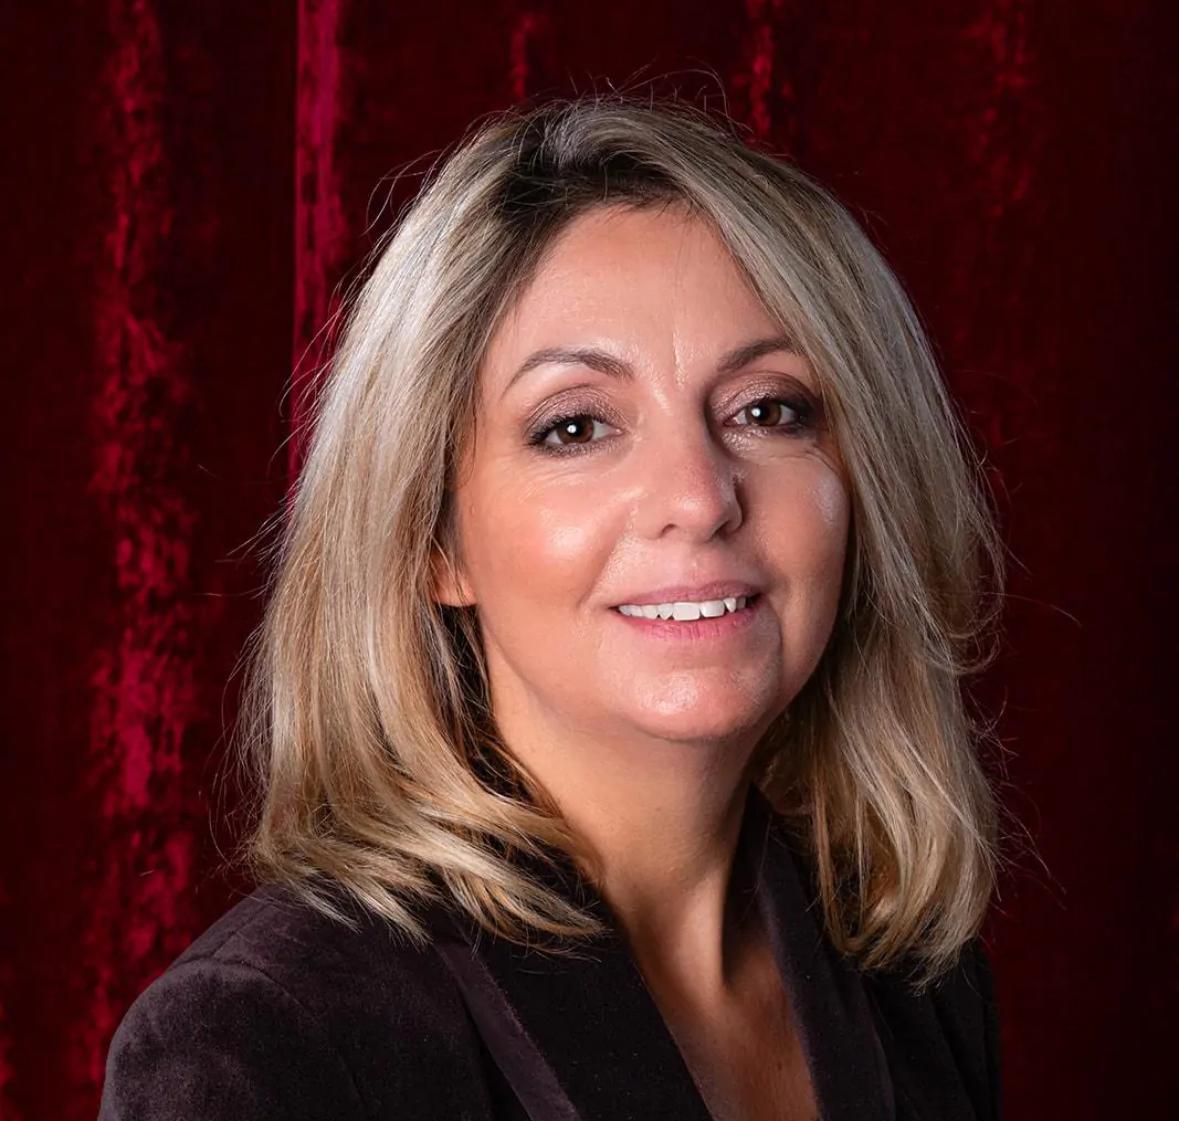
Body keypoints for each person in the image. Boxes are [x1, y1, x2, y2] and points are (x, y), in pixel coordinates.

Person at [97, 93, 1006, 1121]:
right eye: (575, 427)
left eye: (767, 408)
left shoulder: (914, 978)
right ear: (433, 538)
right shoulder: (267, 1036)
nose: (699, 496)